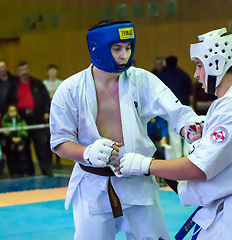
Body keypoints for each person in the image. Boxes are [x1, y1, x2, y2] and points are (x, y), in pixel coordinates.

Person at [118, 28, 232, 239]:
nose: (196, 73)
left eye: (198, 65)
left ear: (216, 63)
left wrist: (145, 164)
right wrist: (208, 132)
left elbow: (197, 168)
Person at [49, 20, 198, 240]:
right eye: (117, 48)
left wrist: (191, 127)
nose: (124, 55)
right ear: (96, 49)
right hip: (92, 187)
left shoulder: (141, 80)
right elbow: (60, 142)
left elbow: (176, 110)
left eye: (128, 47)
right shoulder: (70, 89)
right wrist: (86, 153)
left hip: (138, 183)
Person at [8, 61, 52, 176]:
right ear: (18, 72)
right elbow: (9, 101)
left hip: (37, 118)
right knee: (24, 147)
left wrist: (47, 111)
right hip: (22, 119)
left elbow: (46, 98)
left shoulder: (37, 83)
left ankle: (47, 171)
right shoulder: (14, 86)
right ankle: (28, 172)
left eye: (26, 69)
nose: (24, 72)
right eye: (21, 70)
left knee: (42, 147)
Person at [43, 64, 63, 169]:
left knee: (59, 135)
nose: (52, 72)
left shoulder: (61, 83)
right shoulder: (44, 84)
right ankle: (49, 161)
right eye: (50, 71)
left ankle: (58, 160)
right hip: (48, 110)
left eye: (54, 70)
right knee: (48, 137)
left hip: (58, 112)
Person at [2, 105, 29, 178]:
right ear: (8, 112)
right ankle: (13, 173)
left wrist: (20, 138)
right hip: (9, 141)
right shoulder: (5, 120)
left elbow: (24, 129)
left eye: (14, 111)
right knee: (11, 158)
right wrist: (12, 138)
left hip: (19, 140)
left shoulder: (20, 120)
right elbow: (5, 130)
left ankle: (22, 172)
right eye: (11, 111)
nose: (13, 113)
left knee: (21, 157)